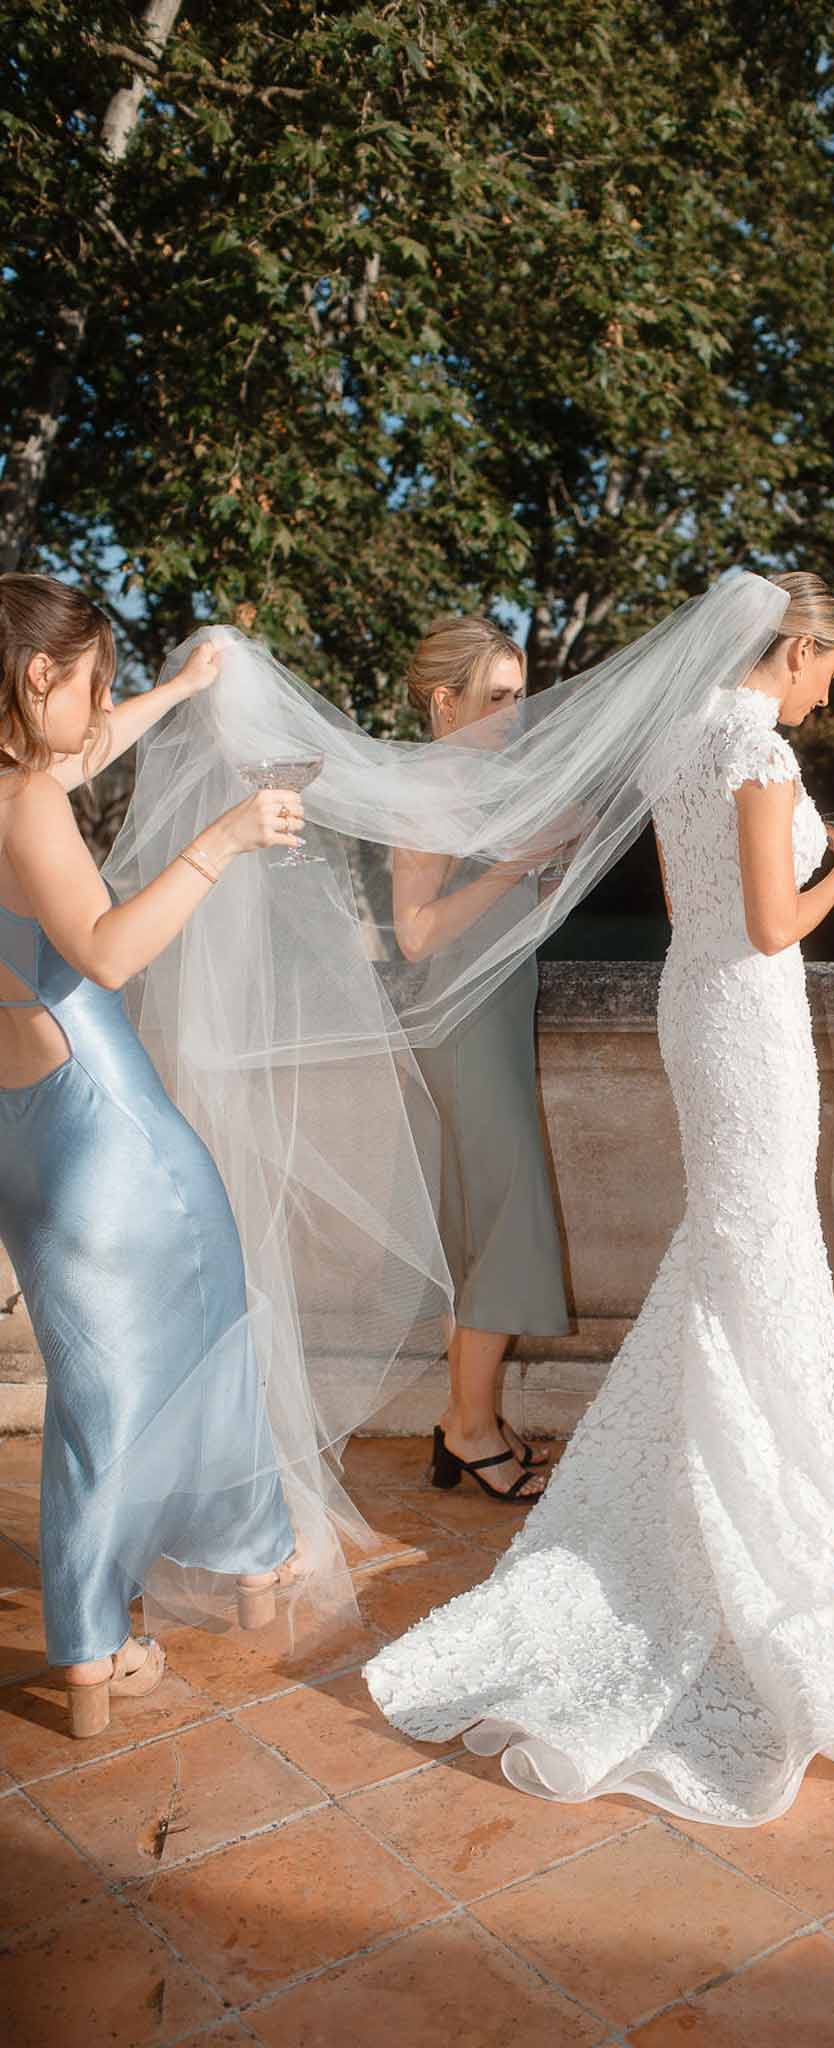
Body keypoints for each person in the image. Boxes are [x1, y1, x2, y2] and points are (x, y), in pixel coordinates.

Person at [365, 570, 834, 1826]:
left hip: (702, 1004)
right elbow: (767, 921)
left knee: (738, 1241)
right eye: (829, 668)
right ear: (795, 651)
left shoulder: (683, 737)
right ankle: (735, 1503)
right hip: (749, 1015)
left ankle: (723, 1472)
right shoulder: (750, 750)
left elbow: (691, 907)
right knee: (757, 1241)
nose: (830, 689)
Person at [0, 573, 303, 1737]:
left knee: (94, 1387)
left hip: (22, 1136)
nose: (104, 702)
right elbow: (109, 950)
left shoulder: (9, 785)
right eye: (93, 679)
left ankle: (91, 1651)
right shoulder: (27, 799)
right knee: (211, 1321)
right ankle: (251, 1562)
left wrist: (182, 687)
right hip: (106, 1128)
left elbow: (81, 751)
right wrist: (222, 836)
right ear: (39, 676)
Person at [393, 616, 569, 1502]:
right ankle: (468, 1428)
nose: (517, 708)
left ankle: (471, 1420)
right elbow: (416, 933)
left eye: (519, 691)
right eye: (499, 696)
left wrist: (542, 866)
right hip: (460, 1026)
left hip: (492, 1015)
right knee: (505, 1220)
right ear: (442, 700)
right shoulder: (432, 784)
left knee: (486, 1221)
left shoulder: (487, 781)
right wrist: (517, 867)